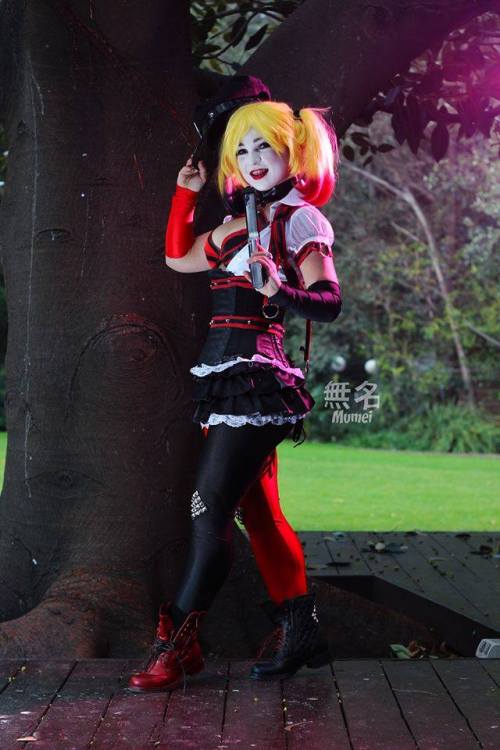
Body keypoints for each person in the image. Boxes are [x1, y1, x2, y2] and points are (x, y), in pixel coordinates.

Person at [128, 79, 342, 693]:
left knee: (207, 507)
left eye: (264, 149)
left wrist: (281, 288)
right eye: (242, 150)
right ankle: (301, 631)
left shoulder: (301, 220)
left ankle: (176, 647)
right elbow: (177, 258)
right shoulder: (228, 228)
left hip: (261, 380)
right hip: (223, 382)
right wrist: (183, 193)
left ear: (291, 155)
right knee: (258, 510)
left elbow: (328, 303)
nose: (252, 160)